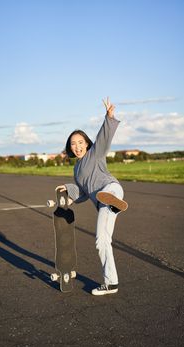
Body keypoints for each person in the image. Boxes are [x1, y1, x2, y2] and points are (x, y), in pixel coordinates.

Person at [56, 97, 128, 296]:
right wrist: (69, 193)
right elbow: (83, 193)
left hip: (111, 189)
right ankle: (111, 283)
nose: (77, 146)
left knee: (108, 194)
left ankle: (113, 201)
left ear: (87, 143)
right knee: (101, 240)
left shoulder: (95, 153)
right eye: (73, 144)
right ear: (70, 148)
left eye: (81, 142)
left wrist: (109, 117)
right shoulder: (77, 169)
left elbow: (104, 138)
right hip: (104, 202)